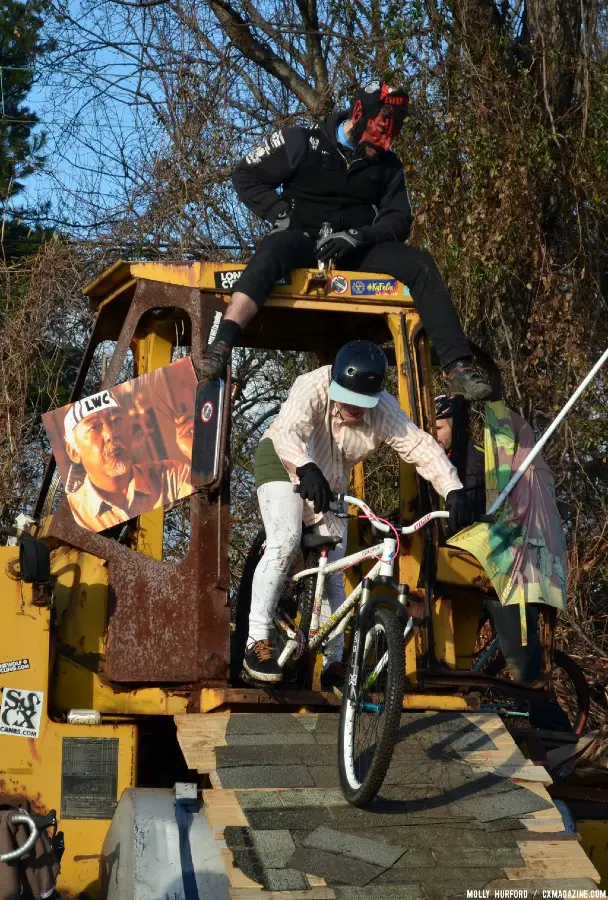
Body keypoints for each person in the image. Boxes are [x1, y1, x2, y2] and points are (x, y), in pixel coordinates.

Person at [200, 81, 491, 403]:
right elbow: (246, 174)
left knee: (420, 263)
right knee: (270, 252)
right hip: (300, 238)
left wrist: (359, 236)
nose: (382, 144)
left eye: (390, 137)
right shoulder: (301, 141)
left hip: (355, 248)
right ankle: (222, 344)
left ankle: (459, 367)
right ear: (358, 116)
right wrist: (281, 213)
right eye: (377, 133)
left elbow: (398, 220)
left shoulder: (388, 166)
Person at [244, 340, 476, 685]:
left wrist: (453, 489)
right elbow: (288, 433)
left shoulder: (383, 408)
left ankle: (334, 665)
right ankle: (256, 640)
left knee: (337, 568)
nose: (354, 407)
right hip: (282, 460)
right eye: (347, 398)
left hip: (330, 481)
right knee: (287, 538)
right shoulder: (312, 386)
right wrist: (305, 468)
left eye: (362, 403)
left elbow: (418, 444)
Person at [435, 394, 571, 730]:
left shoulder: (485, 460)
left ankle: (558, 733)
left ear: (455, 424)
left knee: (521, 660)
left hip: (500, 569)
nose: (433, 434)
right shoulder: (430, 464)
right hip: (456, 569)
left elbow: (511, 510)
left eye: (438, 427)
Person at [64, 389, 193, 532]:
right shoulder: (72, 517)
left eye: (116, 420)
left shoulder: (172, 476)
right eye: (94, 427)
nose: (110, 434)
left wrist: (194, 452)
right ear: (74, 451)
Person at [434, 393, 485, 518]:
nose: (434, 436)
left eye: (439, 428)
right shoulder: (425, 459)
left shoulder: (479, 458)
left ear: (455, 427)